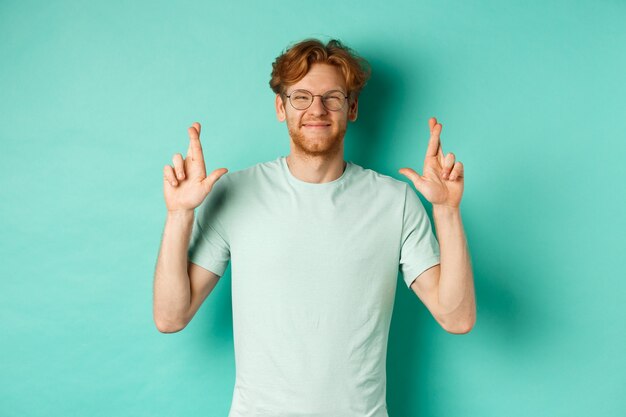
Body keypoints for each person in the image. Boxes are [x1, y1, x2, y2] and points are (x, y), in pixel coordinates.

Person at [153, 38, 476, 417]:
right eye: (301, 97)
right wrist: (178, 215)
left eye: (332, 98)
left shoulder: (396, 201)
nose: (316, 110)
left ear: (351, 107)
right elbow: (170, 317)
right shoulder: (236, 193)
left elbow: (456, 317)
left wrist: (447, 211)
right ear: (281, 106)